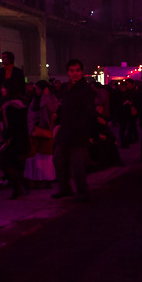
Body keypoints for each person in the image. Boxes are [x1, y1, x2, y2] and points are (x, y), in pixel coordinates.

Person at [52, 59, 97, 203]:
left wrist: (84, 129)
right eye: (72, 71)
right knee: (59, 160)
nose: (75, 73)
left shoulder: (86, 89)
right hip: (65, 131)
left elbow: (89, 113)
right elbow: (64, 107)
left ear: (82, 72)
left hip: (78, 133)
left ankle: (83, 192)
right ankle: (64, 189)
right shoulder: (66, 87)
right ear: (68, 72)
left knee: (77, 165)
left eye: (77, 70)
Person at [25, 80, 58, 188]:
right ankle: (39, 179)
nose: (37, 91)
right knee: (38, 157)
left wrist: (46, 96)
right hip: (37, 131)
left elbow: (52, 110)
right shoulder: (35, 99)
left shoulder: (49, 98)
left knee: (45, 157)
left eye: (39, 89)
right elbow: (31, 115)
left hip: (44, 131)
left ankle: (45, 179)